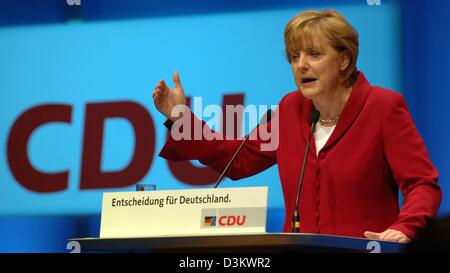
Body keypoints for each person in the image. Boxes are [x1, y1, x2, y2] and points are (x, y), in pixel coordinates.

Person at [152, 9, 441, 243]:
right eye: (294, 56)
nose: (301, 65)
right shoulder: (291, 109)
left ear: (344, 59)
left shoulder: (382, 107)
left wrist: (405, 228)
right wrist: (180, 117)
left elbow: (422, 184)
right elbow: (237, 160)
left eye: (314, 54)